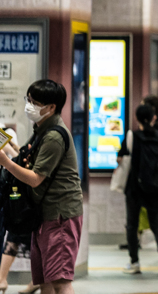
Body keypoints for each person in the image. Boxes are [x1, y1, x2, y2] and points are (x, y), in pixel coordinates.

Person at [0, 80, 84, 294]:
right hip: (45, 215)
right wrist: (10, 149)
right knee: (45, 279)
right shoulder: (42, 130)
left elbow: (36, 178)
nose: (29, 106)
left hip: (60, 215)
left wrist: (7, 163)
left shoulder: (54, 136)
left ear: (51, 107)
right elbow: (30, 159)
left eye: (34, 102)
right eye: (28, 100)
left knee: (60, 281)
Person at [121, 104, 158, 276]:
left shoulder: (132, 136)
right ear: (153, 118)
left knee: (132, 225)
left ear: (136, 118)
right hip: (156, 187)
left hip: (135, 187)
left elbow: (122, 158)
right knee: (156, 224)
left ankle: (134, 262)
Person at [0, 125, 36, 294]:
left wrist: (8, 148)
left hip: (18, 197)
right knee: (14, 238)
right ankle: (2, 279)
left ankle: (37, 280)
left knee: (23, 237)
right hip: (13, 199)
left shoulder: (7, 132)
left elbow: (22, 161)